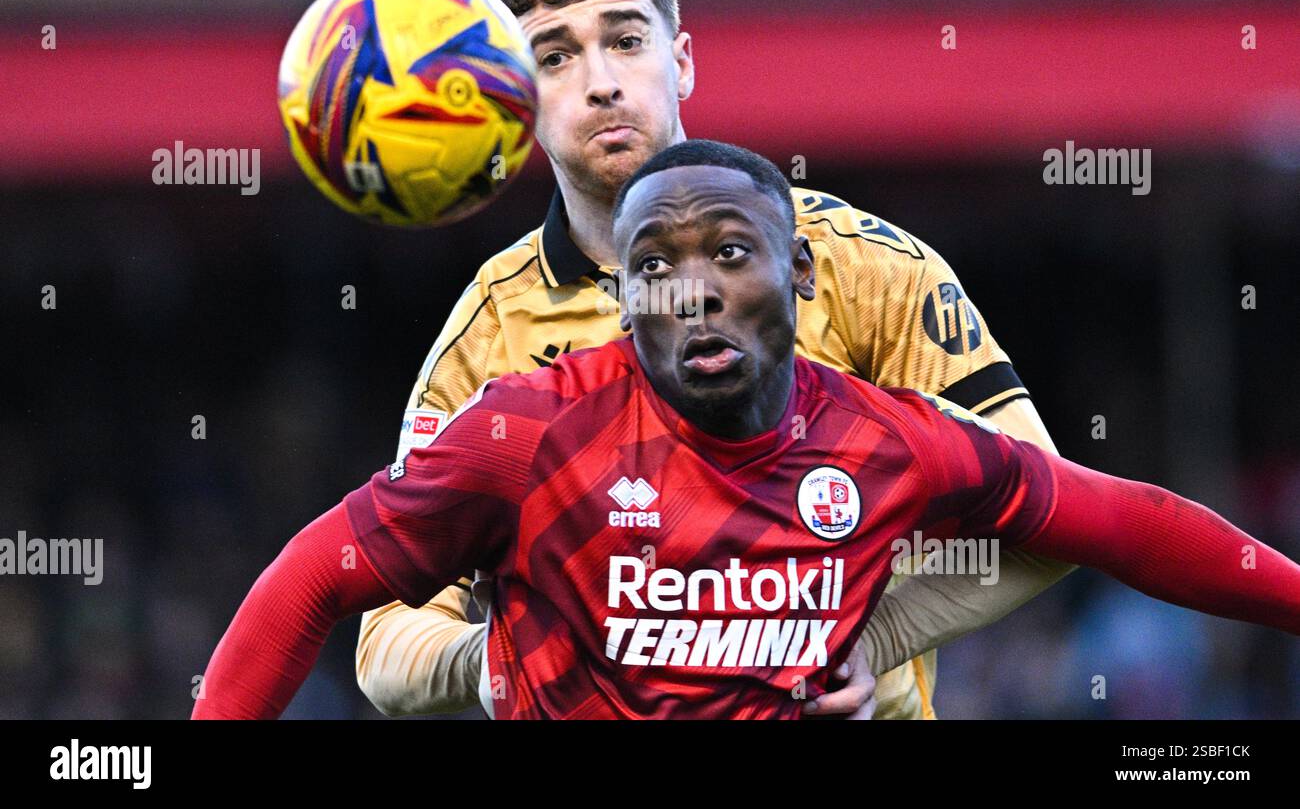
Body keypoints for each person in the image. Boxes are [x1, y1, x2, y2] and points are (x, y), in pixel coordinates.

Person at [195, 140, 1300, 720]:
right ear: (622, 298)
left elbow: (1129, 522)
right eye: (655, 267)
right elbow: (311, 577)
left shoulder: (887, 442)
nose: (694, 290)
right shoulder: (529, 431)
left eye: (730, 252)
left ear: (799, 272)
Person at [356, 0, 1065, 722]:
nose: (600, 83)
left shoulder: (864, 266)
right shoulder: (490, 330)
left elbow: (1047, 519)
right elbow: (386, 642)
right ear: (517, 99)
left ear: (681, 61)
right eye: (554, 56)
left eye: (625, 40)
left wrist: (872, 637)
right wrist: (503, 659)